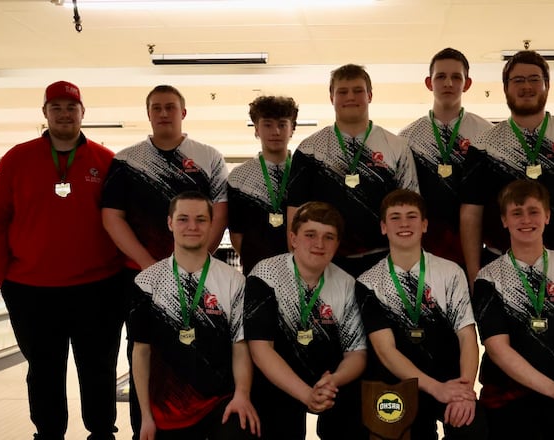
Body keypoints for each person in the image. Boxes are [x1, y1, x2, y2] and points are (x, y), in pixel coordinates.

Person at [0, 80, 125, 440]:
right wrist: (5, 280)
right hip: (31, 290)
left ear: (82, 113)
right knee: (43, 370)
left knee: (99, 368)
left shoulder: (105, 160)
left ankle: (101, 432)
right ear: (45, 113)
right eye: (56, 107)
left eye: (71, 107)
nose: (64, 113)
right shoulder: (17, 158)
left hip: (97, 288)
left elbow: (122, 219)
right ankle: (48, 434)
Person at [101, 84, 230, 439]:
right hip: (140, 276)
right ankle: (145, 429)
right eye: (156, 107)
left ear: (183, 113)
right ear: (148, 114)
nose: (163, 113)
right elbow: (112, 216)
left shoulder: (208, 156)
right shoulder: (127, 160)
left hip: (198, 276)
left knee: (203, 349)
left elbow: (219, 212)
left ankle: (205, 426)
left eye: (170, 107)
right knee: (143, 354)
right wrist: (149, 265)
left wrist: (200, 262)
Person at [459, 50, 554, 293]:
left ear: (547, 86)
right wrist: (474, 271)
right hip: (499, 264)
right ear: (505, 88)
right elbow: (471, 213)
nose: (526, 86)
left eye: (534, 79)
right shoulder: (483, 144)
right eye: (518, 80)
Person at [471, 179, 554, 439]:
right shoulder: (489, 277)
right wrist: (551, 388)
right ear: (504, 220)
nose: (525, 220)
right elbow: (498, 350)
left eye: (533, 211)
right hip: (508, 394)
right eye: (516, 213)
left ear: (546, 216)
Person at [355, 189, 486, 440]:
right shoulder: (368, 283)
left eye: (411, 216)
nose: (404, 223)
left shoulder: (451, 272)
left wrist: (465, 389)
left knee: (472, 426)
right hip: (397, 386)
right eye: (395, 217)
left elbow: (467, 337)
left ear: (424, 225)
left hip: (448, 380)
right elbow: (386, 351)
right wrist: (436, 389)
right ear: (383, 227)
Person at [129, 191, 259, 440]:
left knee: (243, 429)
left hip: (219, 403)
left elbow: (240, 346)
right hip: (167, 409)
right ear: (169, 223)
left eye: (201, 219)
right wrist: (145, 416)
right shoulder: (147, 282)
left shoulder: (234, 281)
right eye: (183, 219)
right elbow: (141, 352)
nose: (192, 226)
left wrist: (242, 395)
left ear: (212, 223)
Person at [244, 201, 367, 439]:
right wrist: (305, 394)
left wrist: (334, 380)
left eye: (329, 237)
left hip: (329, 381)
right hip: (277, 381)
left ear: (338, 244)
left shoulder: (348, 284)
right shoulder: (265, 275)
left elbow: (357, 354)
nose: (319, 244)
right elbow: (260, 350)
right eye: (310, 235)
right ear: (293, 238)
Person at [286, 63, 420, 277]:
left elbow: (411, 207)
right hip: (327, 262)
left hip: (384, 260)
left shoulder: (396, 147)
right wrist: (299, 270)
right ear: (332, 97)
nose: (351, 97)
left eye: (358, 91)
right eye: (343, 92)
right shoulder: (310, 149)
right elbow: (296, 212)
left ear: (370, 95)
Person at [399, 48, 493, 268]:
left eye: (456, 77)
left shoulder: (486, 135)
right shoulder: (407, 138)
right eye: (441, 76)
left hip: (474, 247)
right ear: (429, 83)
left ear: (467, 84)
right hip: (422, 247)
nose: (448, 83)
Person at [228, 95, 299, 275]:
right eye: (267, 124)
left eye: (282, 124)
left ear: (292, 129)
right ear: (257, 129)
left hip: (300, 271)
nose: (275, 131)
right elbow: (236, 233)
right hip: (256, 271)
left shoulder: (304, 173)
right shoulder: (238, 177)